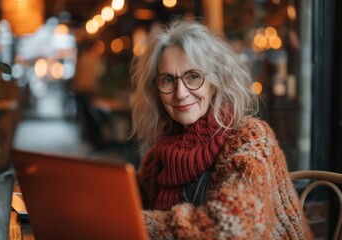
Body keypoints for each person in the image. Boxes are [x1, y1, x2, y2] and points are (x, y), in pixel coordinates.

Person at [129, 17, 312, 240]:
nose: (180, 93)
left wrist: (135, 222)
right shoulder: (157, 158)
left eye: (193, 76)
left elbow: (233, 226)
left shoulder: (250, 138)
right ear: (155, 89)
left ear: (215, 80)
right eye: (168, 80)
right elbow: (127, 203)